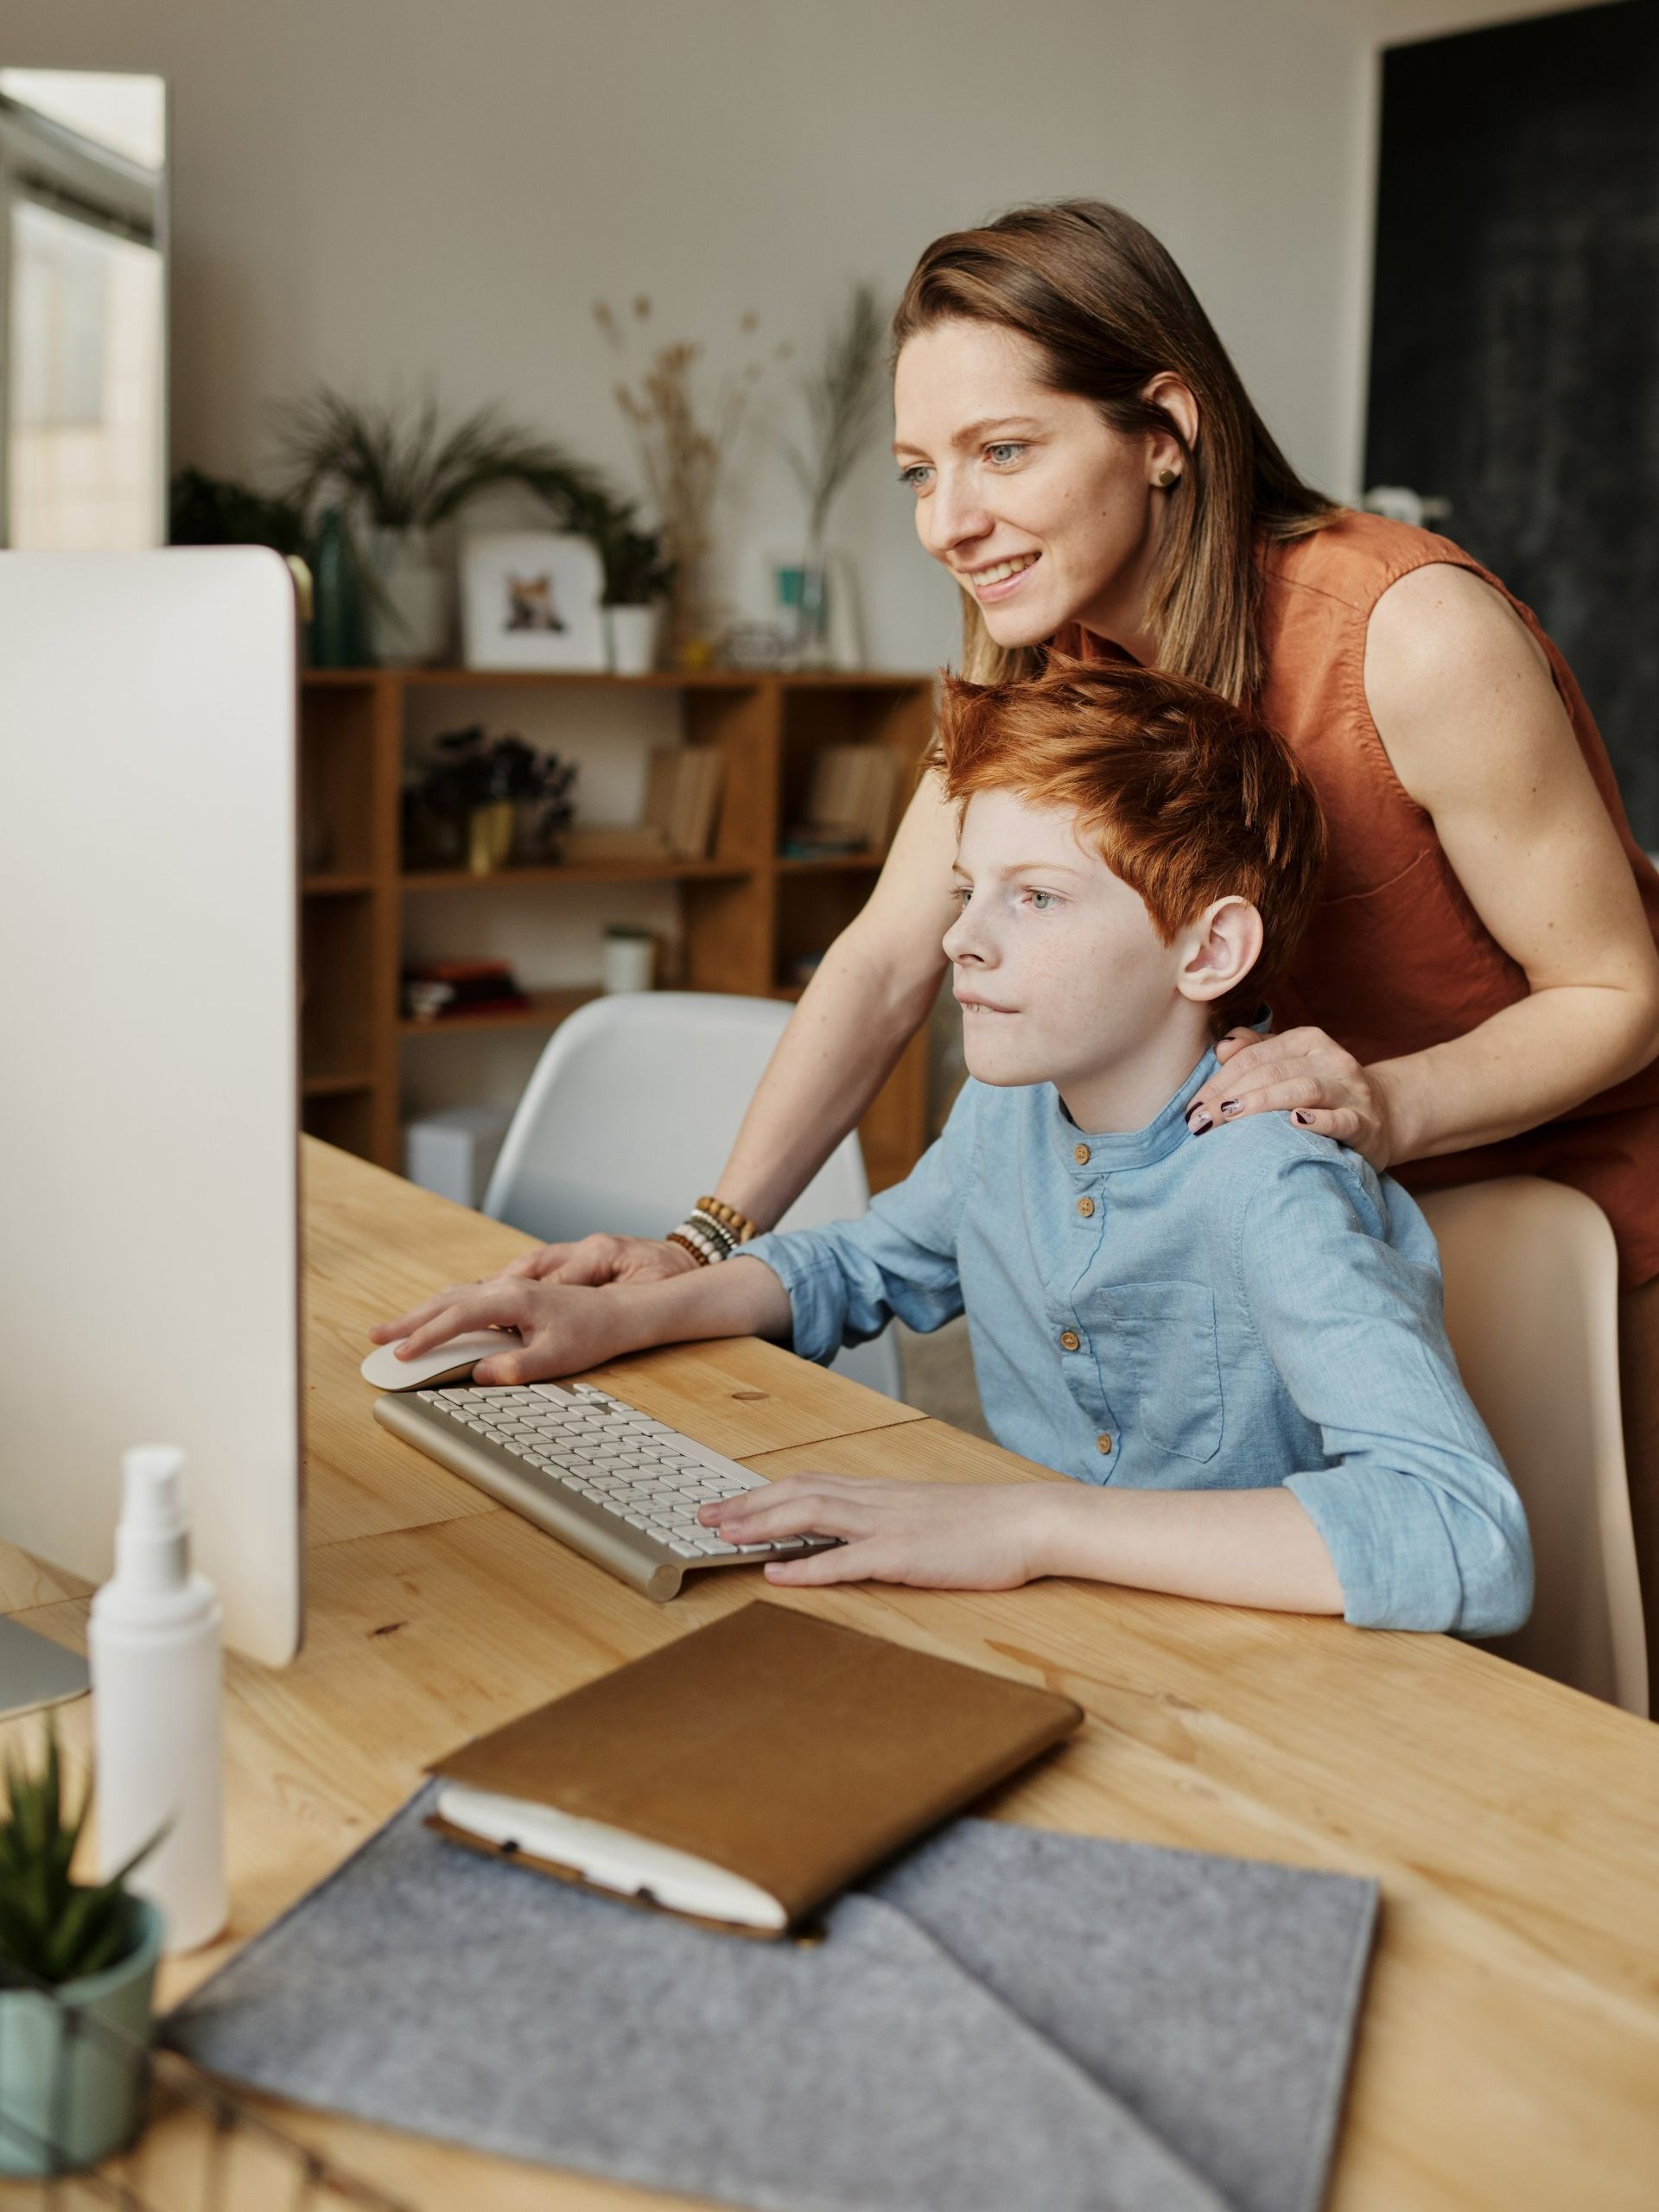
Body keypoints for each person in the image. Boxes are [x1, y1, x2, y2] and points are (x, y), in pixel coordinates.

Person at [494, 200, 1659, 1677]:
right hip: (1294, 1207)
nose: (947, 522)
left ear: (1163, 427)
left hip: (1550, 1214)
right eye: (921, 472)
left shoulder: (1409, 634)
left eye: (1003, 451)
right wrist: (699, 1242)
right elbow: (883, 956)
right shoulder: (1044, 662)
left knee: (1579, 1694)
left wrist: (1383, 1100)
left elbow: (1619, 990)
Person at [373, 661, 1532, 1635]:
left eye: (1035, 899)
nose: (959, 940)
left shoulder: (1269, 1179)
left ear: (1209, 947)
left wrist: (1032, 1522)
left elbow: (1461, 1530)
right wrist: (632, 1311)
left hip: (1262, 1677)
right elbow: (869, 1262)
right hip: (1061, 1625)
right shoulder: (1010, 1113)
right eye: (969, 889)